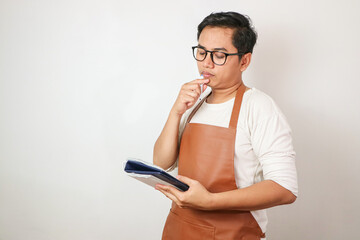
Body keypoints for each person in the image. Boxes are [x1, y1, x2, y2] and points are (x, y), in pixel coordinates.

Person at [153, 11, 298, 240]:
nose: (206, 63)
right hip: (179, 229)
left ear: (245, 61)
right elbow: (162, 163)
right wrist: (175, 112)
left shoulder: (259, 107)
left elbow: (285, 189)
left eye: (218, 55)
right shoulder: (193, 103)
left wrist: (210, 201)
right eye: (201, 52)